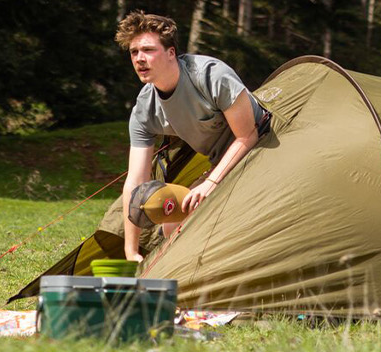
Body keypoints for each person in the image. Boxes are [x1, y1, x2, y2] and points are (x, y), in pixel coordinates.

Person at [116, 11, 271, 262]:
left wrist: (212, 183)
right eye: (134, 52)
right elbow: (135, 183)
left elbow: (248, 134)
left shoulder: (210, 76)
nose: (139, 59)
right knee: (173, 221)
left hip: (265, 148)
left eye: (148, 50)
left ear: (170, 53)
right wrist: (131, 251)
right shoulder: (144, 109)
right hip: (223, 163)